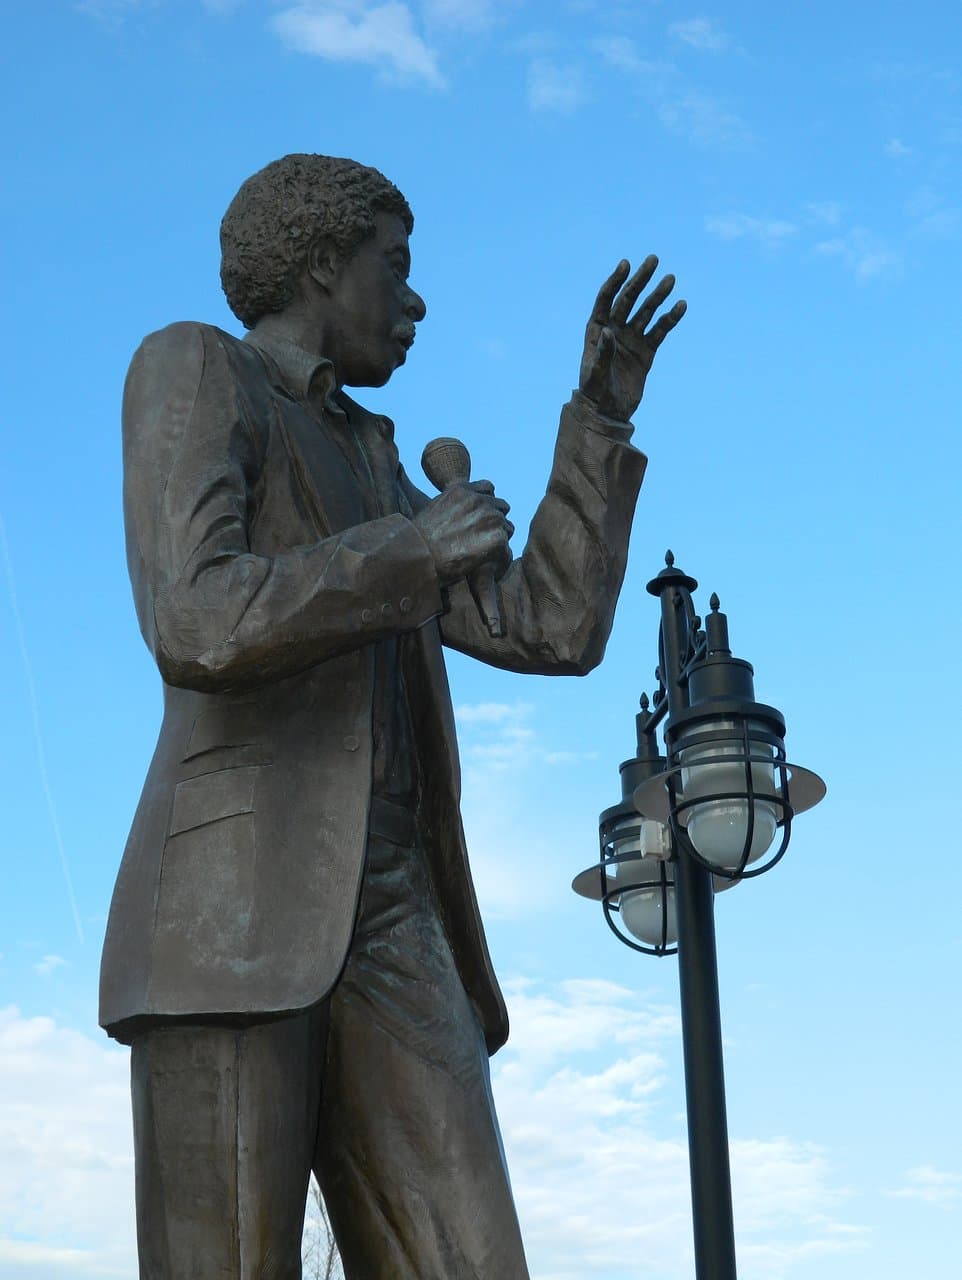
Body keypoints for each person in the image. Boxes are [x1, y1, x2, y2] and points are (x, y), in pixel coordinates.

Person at [99, 152, 686, 1279]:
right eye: (395, 266)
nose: (413, 300)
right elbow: (194, 615)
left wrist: (597, 419)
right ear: (322, 262)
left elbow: (548, 626)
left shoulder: (373, 454)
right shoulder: (195, 367)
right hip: (232, 910)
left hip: (400, 920)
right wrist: (411, 546)